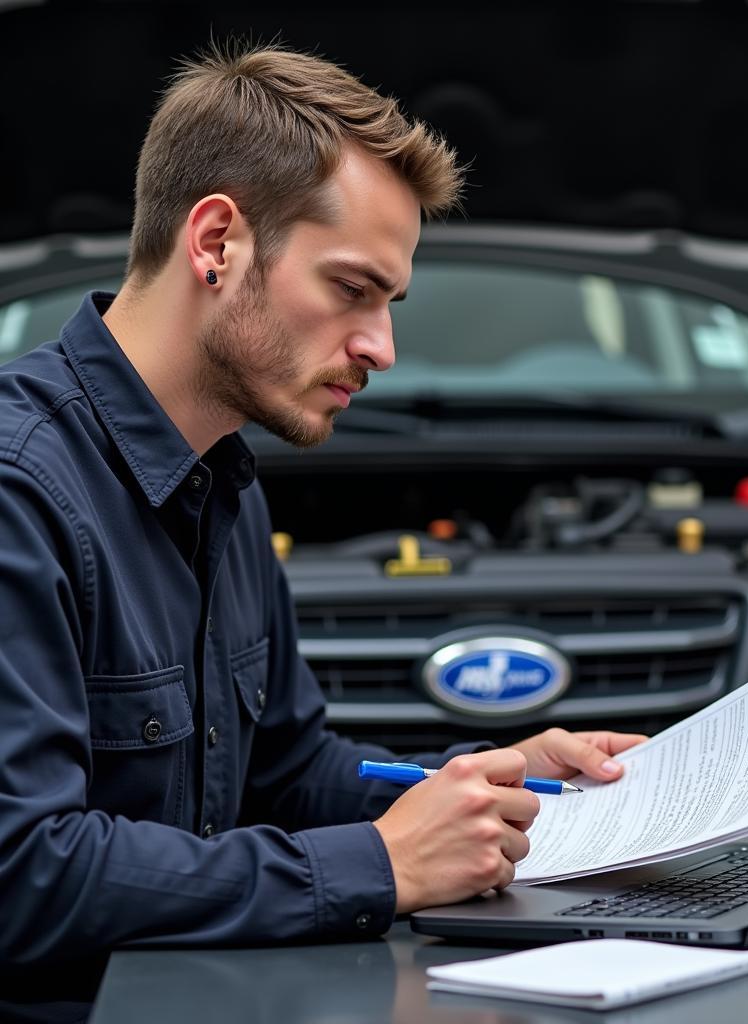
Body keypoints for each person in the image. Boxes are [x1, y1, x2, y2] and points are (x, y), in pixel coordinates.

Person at [0, 42, 648, 964]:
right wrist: (381, 864)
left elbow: (289, 772)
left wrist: (475, 791)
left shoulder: (221, 474)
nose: (381, 347)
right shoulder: (20, 492)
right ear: (216, 241)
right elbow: (22, 871)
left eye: (390, 302)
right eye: (352, 289)